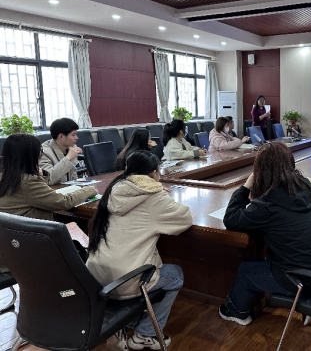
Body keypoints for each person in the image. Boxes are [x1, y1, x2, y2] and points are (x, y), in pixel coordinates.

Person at [219, 142, 311, 325]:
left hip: (306, 282)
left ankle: (235, 311)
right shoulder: (307, 186)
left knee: (245, 272)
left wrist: (246, 187)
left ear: (260, 171)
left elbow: (230, 218)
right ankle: (305, 301)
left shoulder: (268, 205)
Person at [87, 150, 193, 351]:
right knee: (176, 275)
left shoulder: (114, 190)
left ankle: (123, 323)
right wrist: (159, 193)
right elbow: (185, 219)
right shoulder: (153, 198)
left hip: (96, 277)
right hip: (125, 280)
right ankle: (145, 334)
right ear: (154, 173)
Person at [0, 133, 97, 273]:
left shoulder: (6, 177)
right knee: (78, 245)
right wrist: (88, 190)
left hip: (9, 248)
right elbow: (64, 202)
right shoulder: (27, 182)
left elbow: (38, 195)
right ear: (31, 156)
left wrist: (38, 174)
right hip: (26, 252)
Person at [39, 117, 82, 185]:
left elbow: (73, 176)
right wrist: (68, 158)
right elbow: (48, 179)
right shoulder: (44, 152)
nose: (76, 138)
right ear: (61, 136)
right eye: (73, 135)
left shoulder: (71, 148)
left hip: (68, 188)